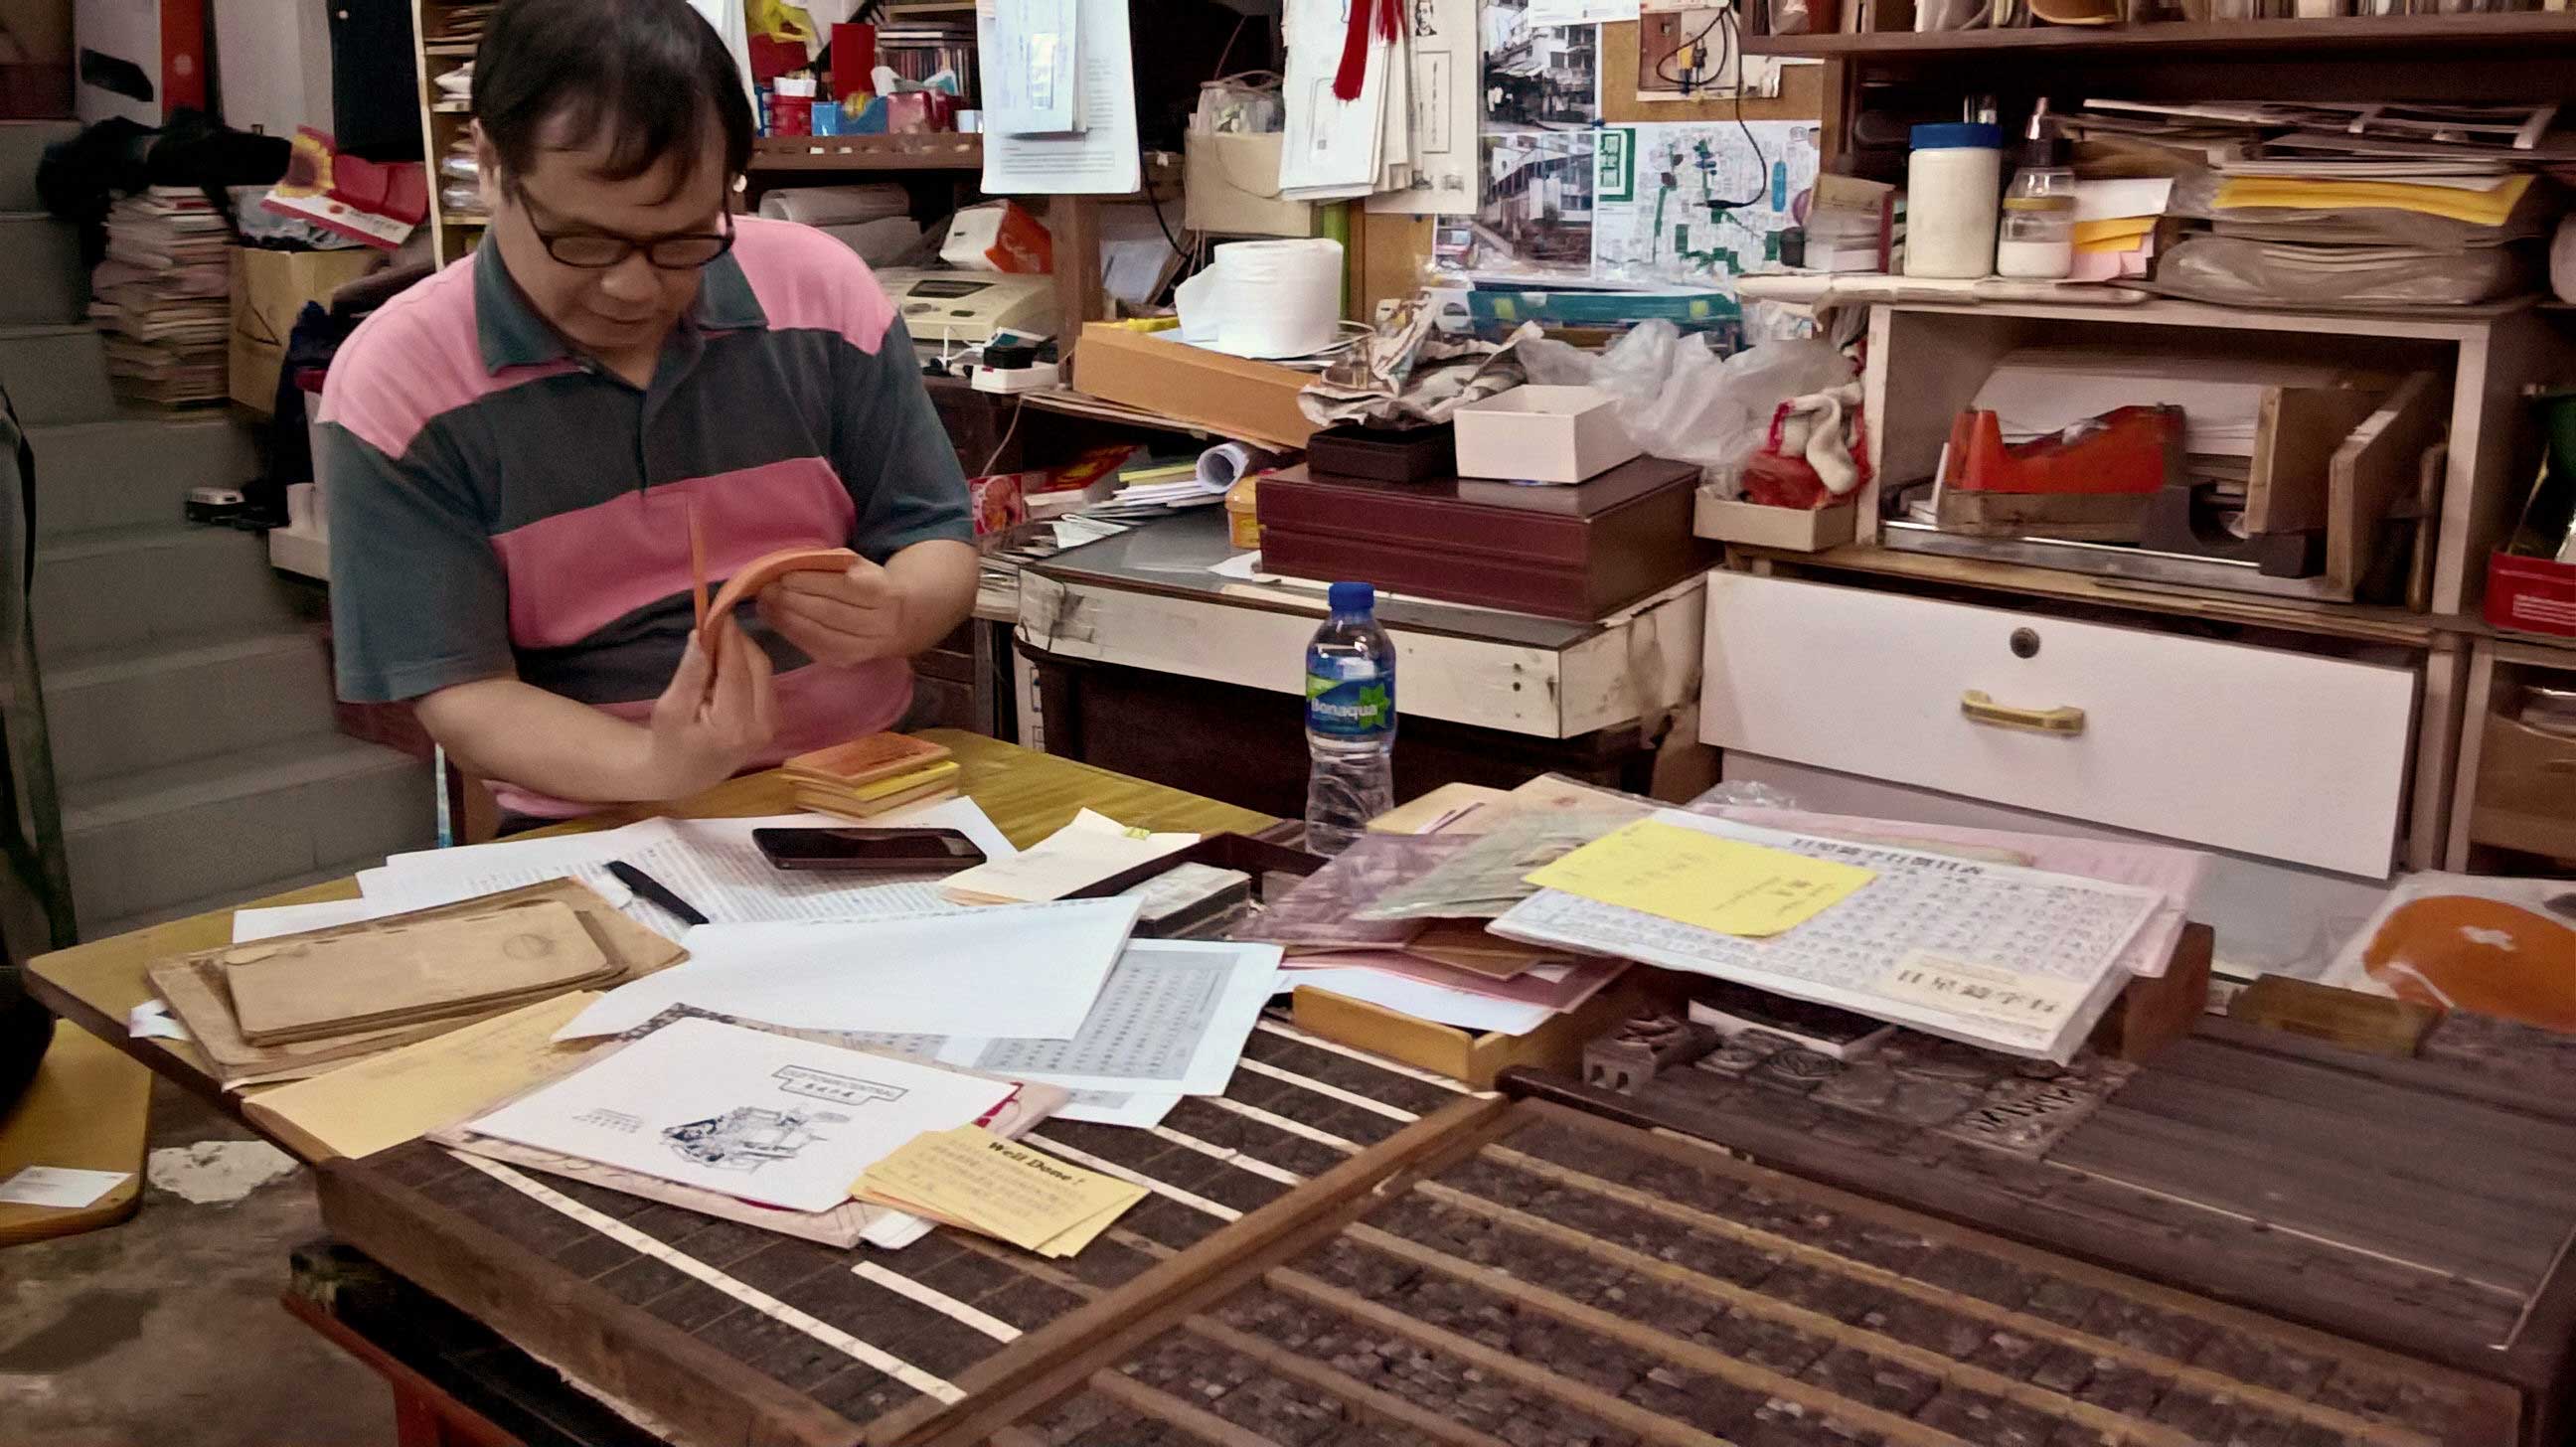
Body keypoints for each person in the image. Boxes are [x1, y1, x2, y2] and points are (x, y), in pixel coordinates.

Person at [320, 0, 975, 821]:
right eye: (585, 242)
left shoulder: (822, 291)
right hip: (597, 814)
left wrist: (900, 613)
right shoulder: (397, 383)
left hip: (870, 785)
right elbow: (460, 692)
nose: (634, 287)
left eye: (683, 239)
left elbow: (935, 536)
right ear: (490, 165)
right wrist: (657, 763)